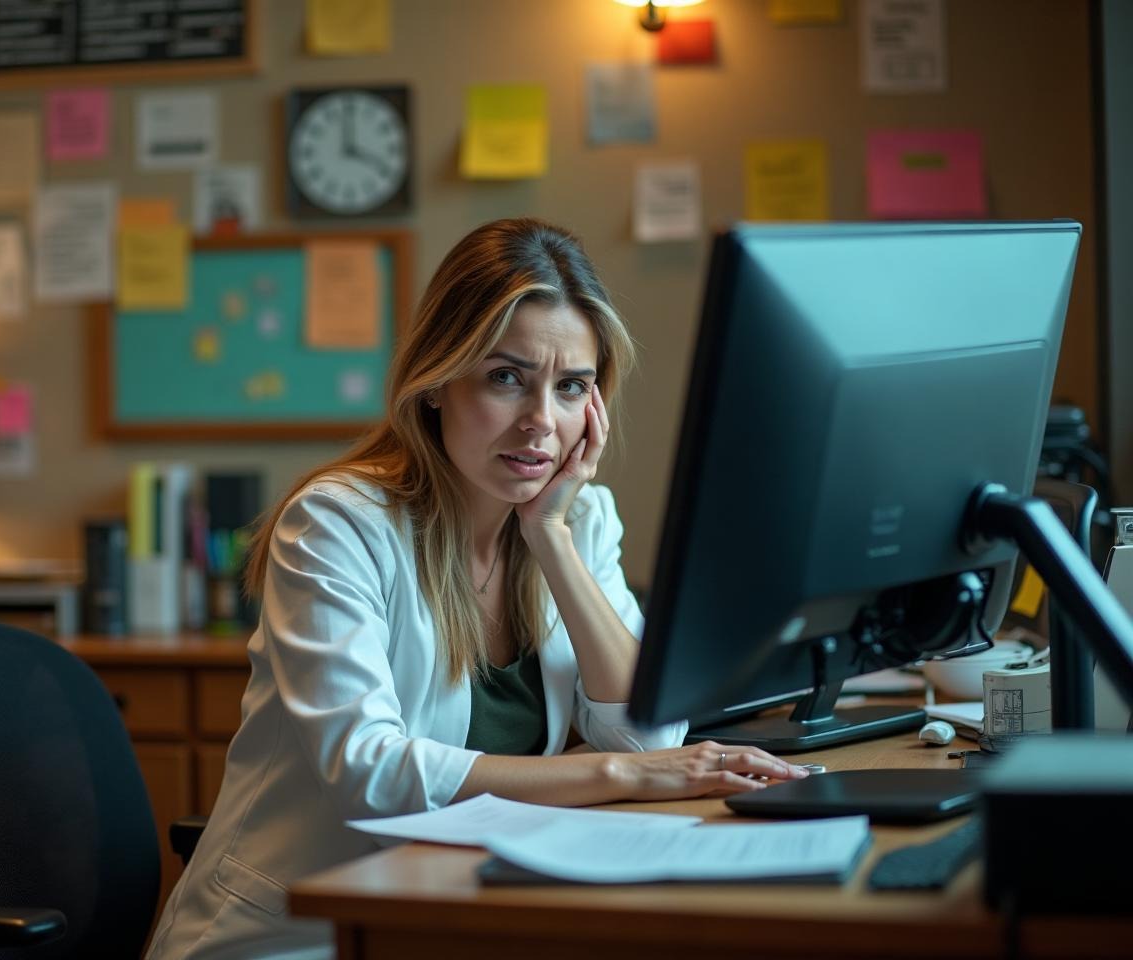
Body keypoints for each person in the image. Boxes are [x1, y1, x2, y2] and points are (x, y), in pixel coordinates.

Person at [146, 218, 808, 960]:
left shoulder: (580, 519)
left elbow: (650, 735)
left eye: (570, 388)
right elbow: (372, 773)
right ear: (436, 382)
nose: (540, 424)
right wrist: (619, 772)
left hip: (462, 918)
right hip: (294, 938)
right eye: (505, 377)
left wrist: (550, 540)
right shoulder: (336, 524)